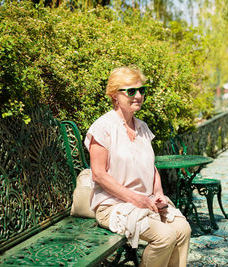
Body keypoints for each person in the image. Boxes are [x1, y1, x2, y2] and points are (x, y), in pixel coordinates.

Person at [84, 66, 191, 267]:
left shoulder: (142, 127)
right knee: (165, 237)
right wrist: (136, 199)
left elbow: (151, 167)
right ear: (115, 95)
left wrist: (158, 193)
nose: (138, 96)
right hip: (113, 207)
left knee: (183, 229)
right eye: (131, 91)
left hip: (146, 202)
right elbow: (98, 174)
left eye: (142, 90)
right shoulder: (103, 127)